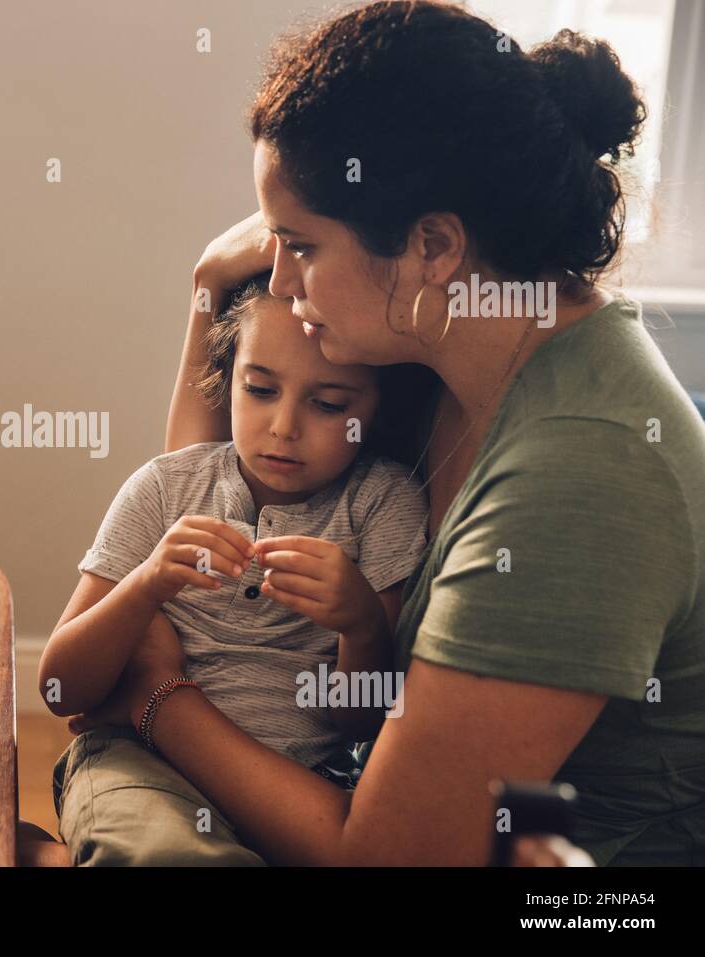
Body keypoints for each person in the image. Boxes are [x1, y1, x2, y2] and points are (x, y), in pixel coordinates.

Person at [65, 0, 705, 865]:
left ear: (434, 245)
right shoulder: (451, 351)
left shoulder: (580, 477)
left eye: (299, 246)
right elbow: (207, 471)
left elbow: (385, 858)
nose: (281, 278)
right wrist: (208, 289)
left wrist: (157, 700)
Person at [41, 286, 431, 864]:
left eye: (328, 404)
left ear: (376, 410)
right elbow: (60, 689)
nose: (284, 427)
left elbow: (361, 720)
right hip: (138, 763)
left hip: (296, 781)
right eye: (260, 390)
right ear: (228, 383)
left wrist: (362, 624)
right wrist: (146, 583)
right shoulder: (164, 487)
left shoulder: (384, 504)